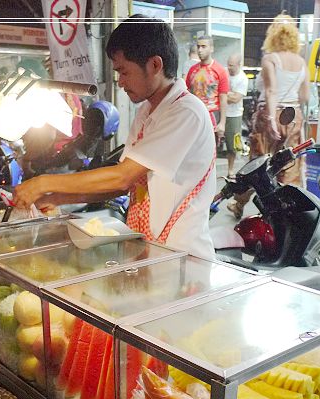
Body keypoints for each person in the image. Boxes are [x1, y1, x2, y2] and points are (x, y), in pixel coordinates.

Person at [13, 15, 216, 260]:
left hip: (184, 257)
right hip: (151, 249)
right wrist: (57, 198)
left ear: (155, 65)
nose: (120, 82)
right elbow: (128, 184)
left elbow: (122, 177)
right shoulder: (147, 111)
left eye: (124, 71)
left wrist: (43, 183)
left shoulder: (186, 112)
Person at [227, 13, 310, 219]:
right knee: (289, 164)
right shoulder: (302, 63)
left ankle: (239, 203)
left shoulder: (270, 59)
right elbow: (305, 96)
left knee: (258, 164)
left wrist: (272, 119)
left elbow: (272, 91)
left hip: (269, 115)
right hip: (294, 115)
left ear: (273, 34)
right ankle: (285, 212)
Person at [185, 35, 229, 146]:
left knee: (210, 149)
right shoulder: (192, 70)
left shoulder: (220, 71)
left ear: (211, 48)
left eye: (204, 46)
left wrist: (222, 123)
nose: (200, 50)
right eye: (198, 46)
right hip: (194, 116)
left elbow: (223, 98)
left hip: (212, 116)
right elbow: (187, 93)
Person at [225, 54, 249, 178]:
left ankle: (230, 169)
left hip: (234, 114)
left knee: (232, 145)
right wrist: (228, 95)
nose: (229, 68)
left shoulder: (242, 78)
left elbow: (235, 99)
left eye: (232, 65)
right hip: (220, 111)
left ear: (239, 65)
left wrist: (223, 95)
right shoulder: (224, 73)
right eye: (228, 65)